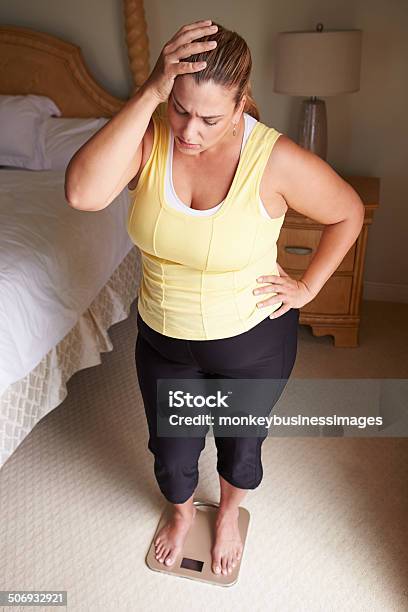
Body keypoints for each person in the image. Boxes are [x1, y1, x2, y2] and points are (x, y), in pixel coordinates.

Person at [65, 19, 365, 578]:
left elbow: (347, 211)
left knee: (240, 446)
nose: (190, 132)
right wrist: (151, 92)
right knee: (172, 451)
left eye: (210, 118)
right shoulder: (151, 136)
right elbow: (82, 192)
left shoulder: (273, 159)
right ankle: (180, 516)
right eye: (180, 109)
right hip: (164, 339)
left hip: (251, 343)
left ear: (242, 104)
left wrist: (308, 287)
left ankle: (228, 515)